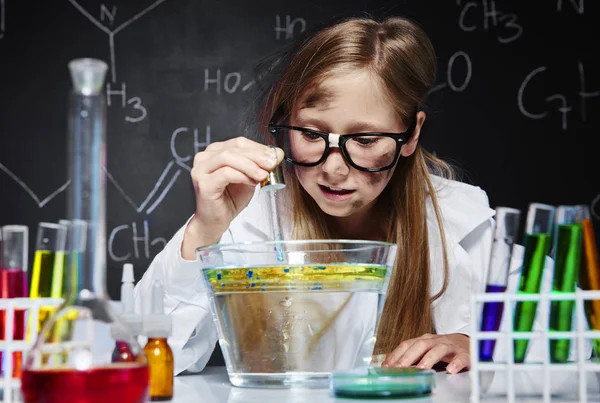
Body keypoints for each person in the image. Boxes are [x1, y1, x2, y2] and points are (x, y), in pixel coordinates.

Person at [134, 15, 495, 376]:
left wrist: (482, 347)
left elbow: (543, 336)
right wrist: (204, 230)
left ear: (411, 135)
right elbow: (148, 360)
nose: (334, 170)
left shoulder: (466, 221)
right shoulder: (250, 218)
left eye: (365, 140)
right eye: (310, 134)